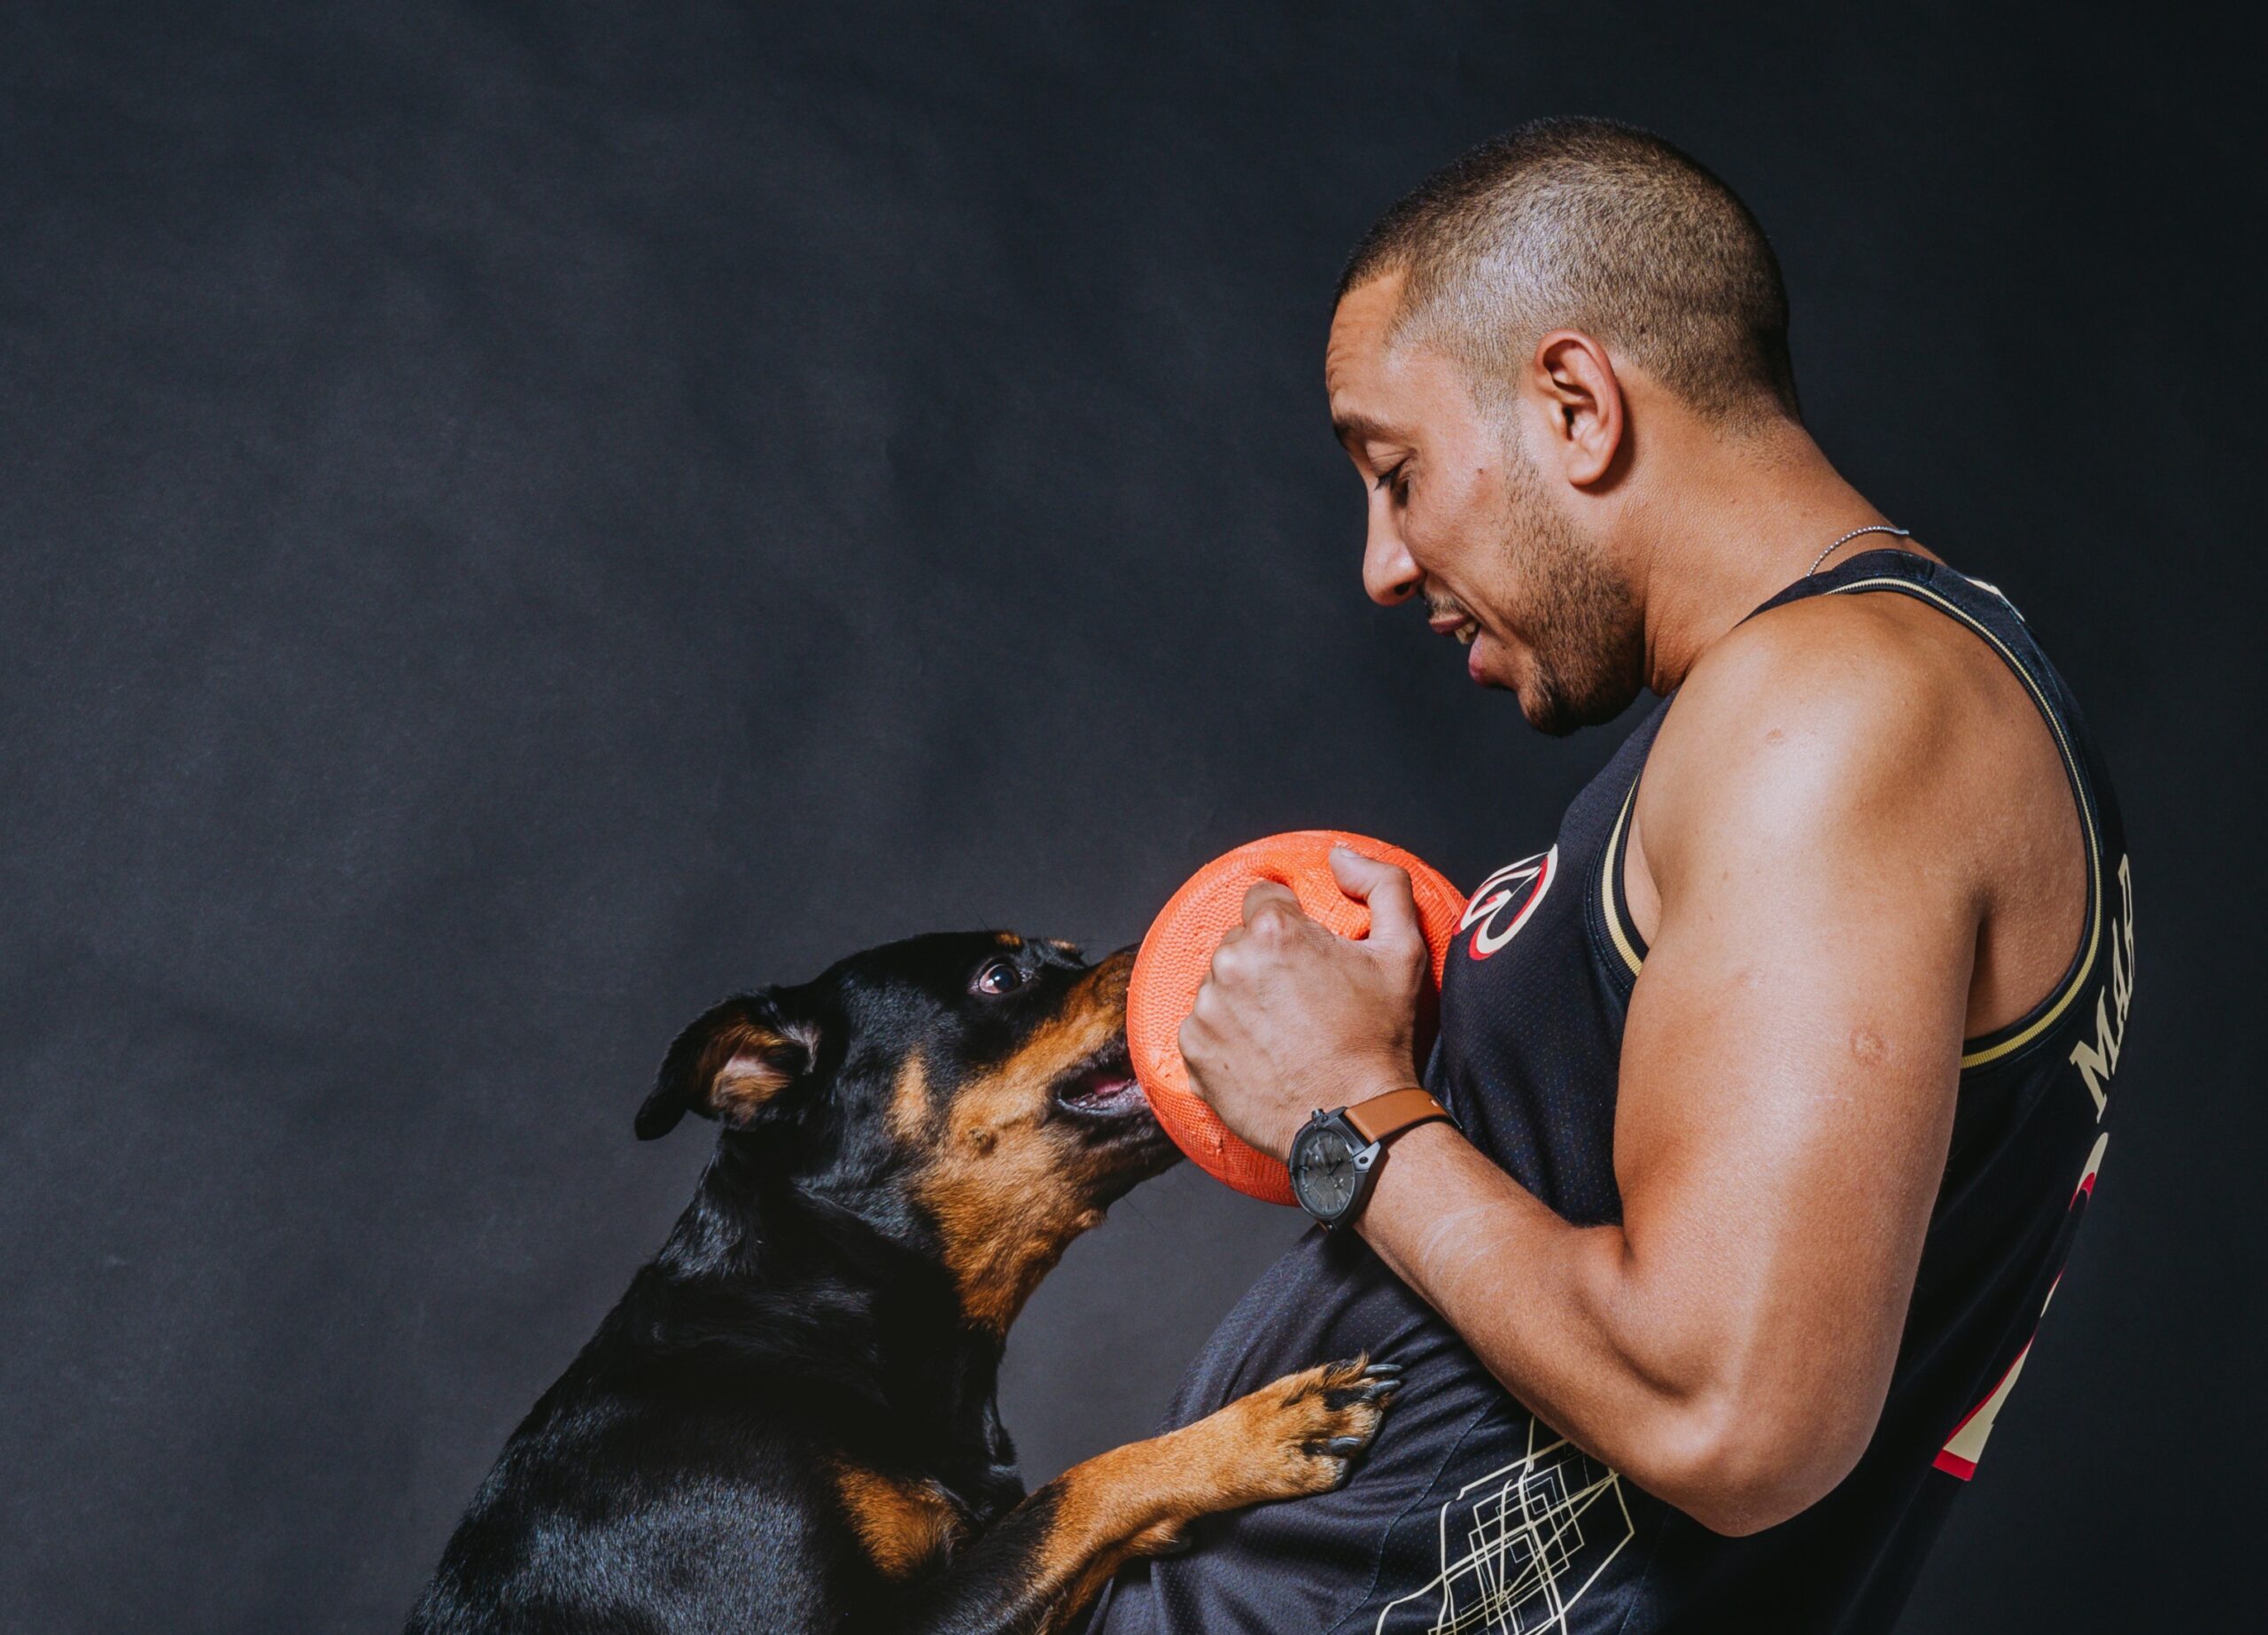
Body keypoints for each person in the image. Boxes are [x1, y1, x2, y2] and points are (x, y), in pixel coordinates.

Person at [1090, 118, 2132, 1634]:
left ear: (1574, 403)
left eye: (1399, 470)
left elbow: (1728, 1412)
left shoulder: (1841, 709)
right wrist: (1414, 1054)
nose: (1382, 562)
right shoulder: (1847, 700)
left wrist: (1349, 1112)